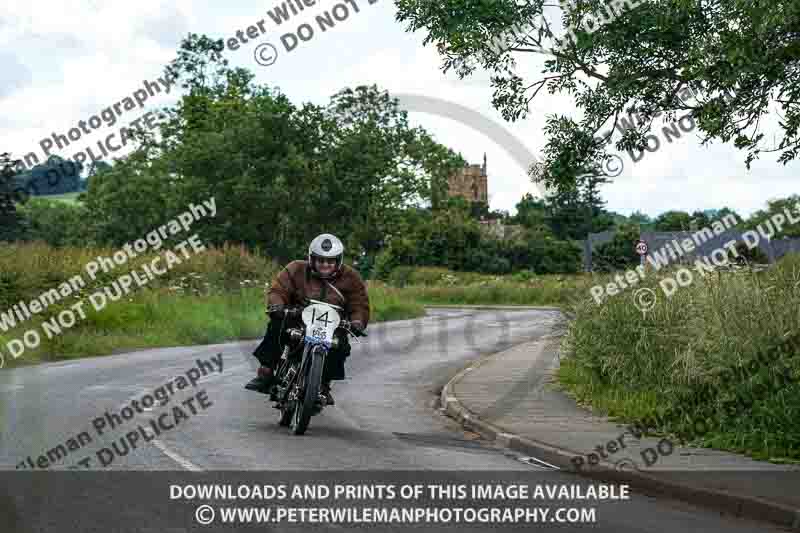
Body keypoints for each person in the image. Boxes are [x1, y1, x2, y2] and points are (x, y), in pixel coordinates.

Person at [245, 233, 369, 405]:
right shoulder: (296, 268)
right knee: (278, 326)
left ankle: (324, 384)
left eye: (330, 261)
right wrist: (278, 306)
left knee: (340, 345)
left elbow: (359, 304)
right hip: (298, 318)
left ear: (338, 260)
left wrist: (357, 322)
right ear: (312, 258)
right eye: (320, 260)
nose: (325, 264)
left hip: (332, 326)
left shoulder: (351, 278)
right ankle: (266, 371)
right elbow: (278, 290)